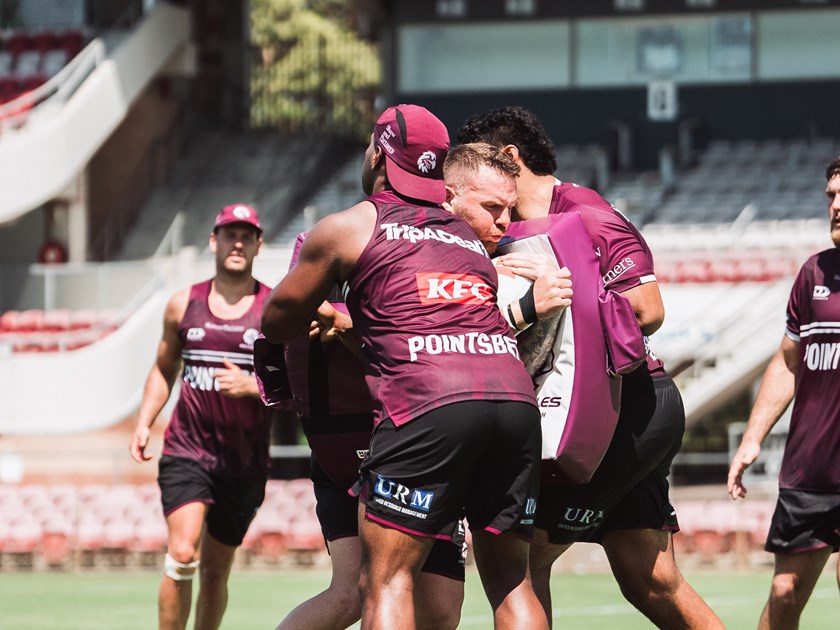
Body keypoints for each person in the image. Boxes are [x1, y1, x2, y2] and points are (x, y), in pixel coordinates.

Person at [262, 104, 548, 630]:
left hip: (426, 405)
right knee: (511, 583)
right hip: (513, 400)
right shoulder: (470, 239)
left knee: (387, 582)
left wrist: (327, 312)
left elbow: (275, 323)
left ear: (377, 154)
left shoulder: (350, 225)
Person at [458, 106, 724, 629]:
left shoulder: (585, 212)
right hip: (621, 411)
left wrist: (558, 290)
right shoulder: (508, 230)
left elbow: (648, 310)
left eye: (487, 161)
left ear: (510, 156)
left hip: (629, 407)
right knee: (650, 579)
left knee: (520, 559)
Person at [269, 234, 466, 630]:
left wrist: (347, 326)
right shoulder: (334, 246)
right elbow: (285, 316)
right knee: (355, 593)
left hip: (417, 440)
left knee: (441, 610)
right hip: (347, 447)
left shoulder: (435, 252)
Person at [129, 204, 272, 630]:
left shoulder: (273, 310)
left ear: (259, 245)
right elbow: (163, 369)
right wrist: (144, 420)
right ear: (214, 241)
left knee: (214, 573)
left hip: (244, 463)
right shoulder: (182, 304)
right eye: (230, 235)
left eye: (247, 236)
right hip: (186, 452)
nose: (237, 244)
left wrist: (253, 386)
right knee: (183, 554)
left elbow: (297, 383)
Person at [727, 156, 840, 629]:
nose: (835, 206)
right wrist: (752, 437)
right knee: (784, 592)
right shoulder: (814, 273)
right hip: (809, 470)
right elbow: (788, 361)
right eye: (831, 196)